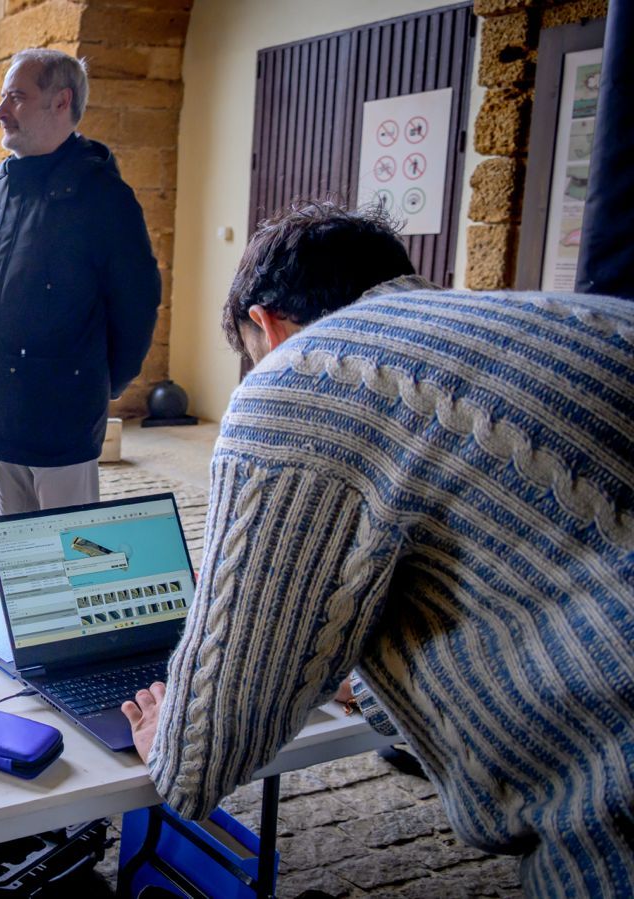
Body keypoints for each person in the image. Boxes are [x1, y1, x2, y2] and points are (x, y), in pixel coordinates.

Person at [121, 202, 634, 897]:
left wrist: (169, 739)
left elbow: (204, 748)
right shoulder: (577, 318)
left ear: (266, 326)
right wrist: (365, 681)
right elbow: (511, 573)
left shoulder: (298, 375)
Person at [0, 48, 161, 515]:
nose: (0, 112)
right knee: (19, 555)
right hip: (1, 404)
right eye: (3, 98)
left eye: (17, 97)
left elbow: (136, 302)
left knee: (70, 552)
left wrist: (96, 383)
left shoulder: (102, 195)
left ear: (60, 101)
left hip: (61, 409)